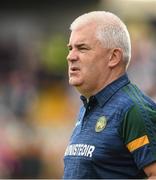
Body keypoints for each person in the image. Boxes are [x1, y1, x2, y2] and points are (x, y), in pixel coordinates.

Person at [63, 11, 156, 179]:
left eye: (82, 48)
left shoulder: (133, 110)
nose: (70, 56)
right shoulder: (88, 107)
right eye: (70, 48)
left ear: (113, 57)